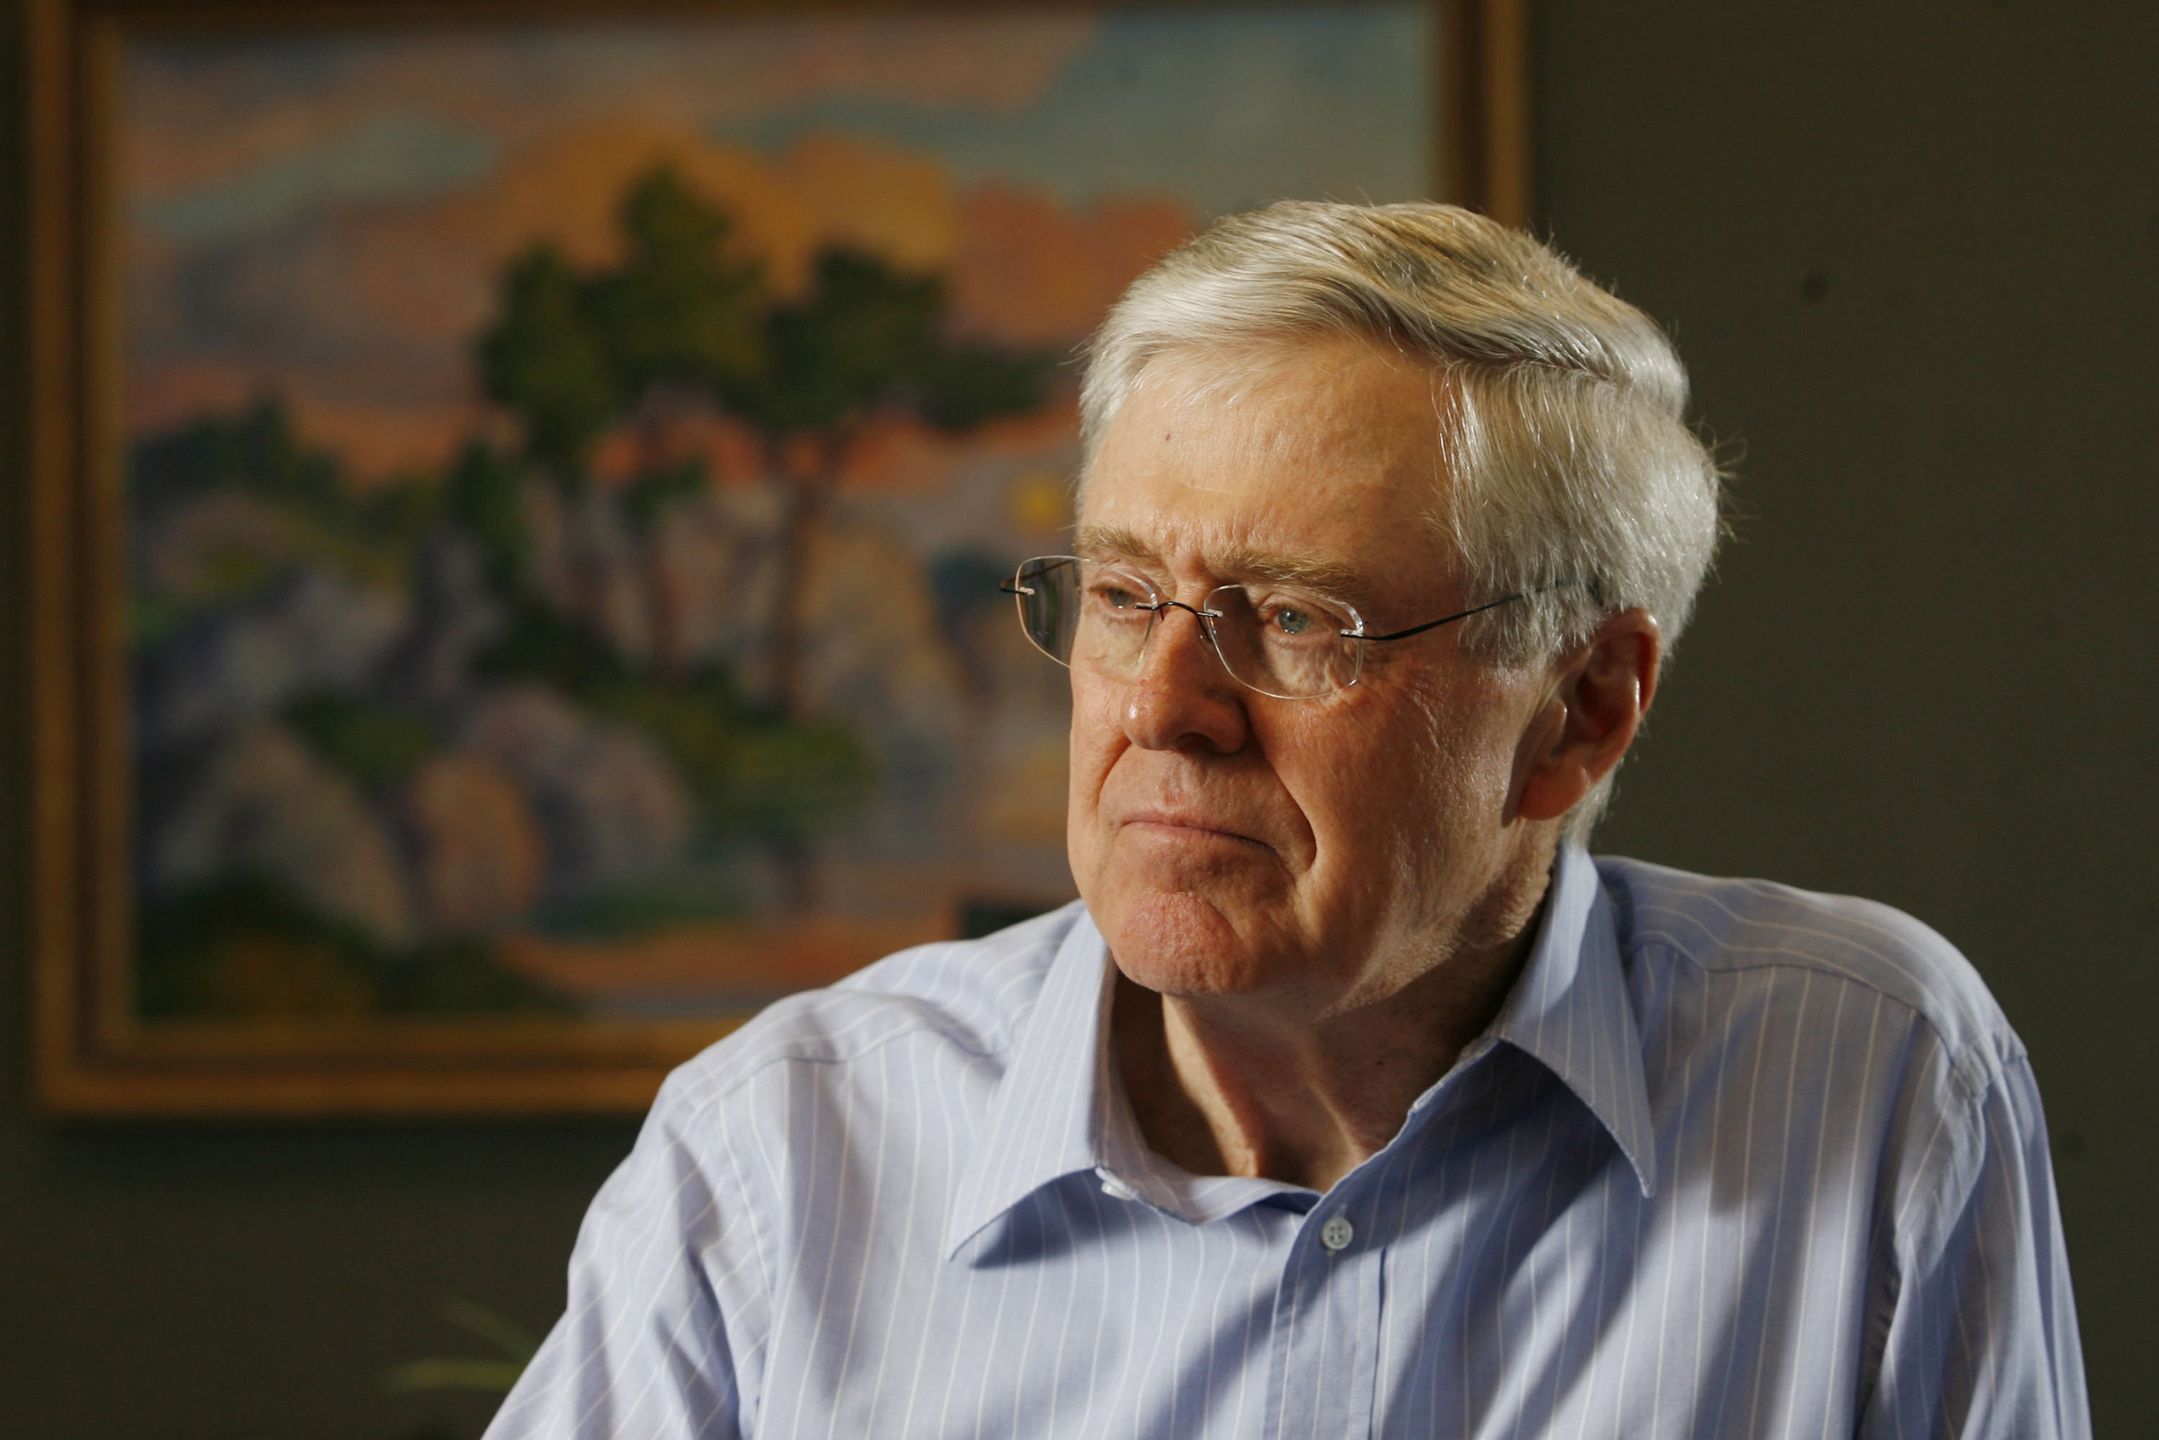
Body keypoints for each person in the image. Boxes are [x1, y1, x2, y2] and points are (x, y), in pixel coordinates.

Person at [486, 202, 2088, 1438]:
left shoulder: (1862, 1078)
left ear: (1581, 710)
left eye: (1298, 621)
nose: (1160, 704)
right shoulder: (783, 1154)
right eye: (1122, 595)